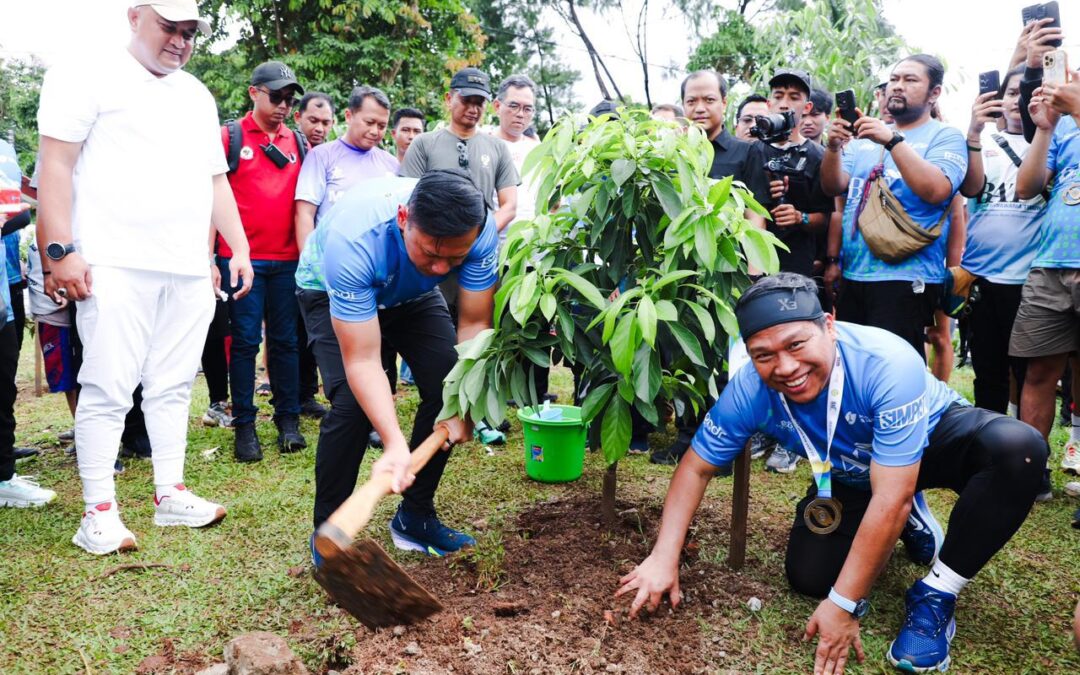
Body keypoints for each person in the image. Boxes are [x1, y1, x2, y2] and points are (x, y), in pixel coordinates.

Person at [617, 273, 1045, 674]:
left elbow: (889, 496)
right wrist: (662, 556)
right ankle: (907, 516)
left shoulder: (887, 361)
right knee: (810, 577)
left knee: (1017, 451)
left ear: (828, 324)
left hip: (931, 441)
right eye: (763, 355)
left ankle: (937, 591)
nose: (784, 368)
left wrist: (843, 605)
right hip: (848, 473)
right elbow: (696, 467)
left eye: (796, 345)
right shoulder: (749, 387)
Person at [36, 0, 253, 554]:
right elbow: (56, 163)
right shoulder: (84, 73)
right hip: (114, 260)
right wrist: (60, 250)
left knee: (174, 384)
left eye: (190, 32)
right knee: (108, 387)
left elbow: (215, 181)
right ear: (135, 17)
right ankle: (99, 511)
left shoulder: (196, 94)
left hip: (184, 266)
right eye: (169, 28)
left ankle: (170, 492)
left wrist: (237, 248)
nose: (180, 41)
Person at [299, 170, 497, 560]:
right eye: (432, 253)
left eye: (454, 259)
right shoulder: (354, 242)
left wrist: (464, 399)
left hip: (411, 297)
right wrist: (393, 443)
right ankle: (330, 532)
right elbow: (363, 359)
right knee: (353, 406)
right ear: (404, 218)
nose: (442, 269)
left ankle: (415, 517)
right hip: (331, 288)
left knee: (447, 386)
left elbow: (473, 323)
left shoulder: (480, 231)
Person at [821, 54, 967, 359]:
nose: (897, 87)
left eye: (910, 80)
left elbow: (936, 189)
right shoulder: (863, 138)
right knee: (853, 365)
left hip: (907, 278)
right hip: (855, 274)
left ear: (934, 93)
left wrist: (892, 141)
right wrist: (833, 147)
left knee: (896, 368)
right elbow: (833, 186)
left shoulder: (945, 136)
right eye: (895, 79)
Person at [218, 61, 308, 462]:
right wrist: (209, 256)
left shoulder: (298, 142)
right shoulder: (230, 137)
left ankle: (288, 421)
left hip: (287, 259)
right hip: (241, 261)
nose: (284, 106)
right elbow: (212, 200)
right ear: (254, 92)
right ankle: (245, 426)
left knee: (287, 343)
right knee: (244, 344)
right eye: (276, 97)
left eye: (289, 99)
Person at [958, 66, 1045, 415]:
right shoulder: (984, 142)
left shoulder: (1049, 142)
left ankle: (1025, 455)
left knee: (1027, 373)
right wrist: (974, 132)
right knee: (987, 371)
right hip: (981, 278)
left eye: (1023, 93)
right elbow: (971, 189)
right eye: (1010, 92)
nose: (1016, 101)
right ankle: (988, 447)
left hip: (1029, 280)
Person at [1012, 63, 1080, 483]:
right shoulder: (1064, 127)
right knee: (1038, 371)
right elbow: (1026, 187)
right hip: (1051, 264)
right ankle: (1028, 475)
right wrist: (1045, 128)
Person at [0, 141, 56, 508]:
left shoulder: (3, 149)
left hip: (4, 291)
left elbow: (13, 212)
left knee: (3, 384)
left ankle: (3, 476)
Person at [401, 67, 518, 235]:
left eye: (479, 103)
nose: (473, 109)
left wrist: (482, 237)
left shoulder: (498, 148)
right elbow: (407, 199)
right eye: (466, 101)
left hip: (480, 250)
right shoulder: (423, 144)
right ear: (449, 99)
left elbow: (510, 205)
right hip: (433, 243)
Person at [681, 71, 755, 180]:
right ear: (683, 105)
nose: (700, 109)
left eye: (709, 100)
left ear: (724, 103)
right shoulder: (674, 154)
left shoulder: (748, 152)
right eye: (691, 101)